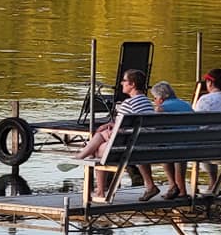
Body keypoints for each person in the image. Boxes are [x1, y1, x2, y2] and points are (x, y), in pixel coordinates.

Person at [72, 68, 160, 201]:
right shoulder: (147, 102)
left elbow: (118, 132)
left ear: (132, 84)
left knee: (98, 147)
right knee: (102, 138)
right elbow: (127, 124)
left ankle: (98, 188)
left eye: (124, 81)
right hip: (143, 146)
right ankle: (149, 184)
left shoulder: (127, 103)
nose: (121, 83)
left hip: (127, 148)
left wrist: (106, 131)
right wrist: (111, 126)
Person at [193, 68, 221, 193]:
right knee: (207, 140)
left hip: (208, 146)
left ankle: (190, 186)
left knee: (194, 143)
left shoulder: (205, 100)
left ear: (210, 83)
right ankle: (213, 183)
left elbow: (196, 123)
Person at [151, 80, 194, 199]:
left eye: (154, 98)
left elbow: (155, 129)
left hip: (175, 147)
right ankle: (181, 190)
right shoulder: (186, 105)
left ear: (160, 97)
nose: (154, 101)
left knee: (163, 148)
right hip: (194, 146)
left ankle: (173, 185)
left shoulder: (161, 109)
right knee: (175, 148)